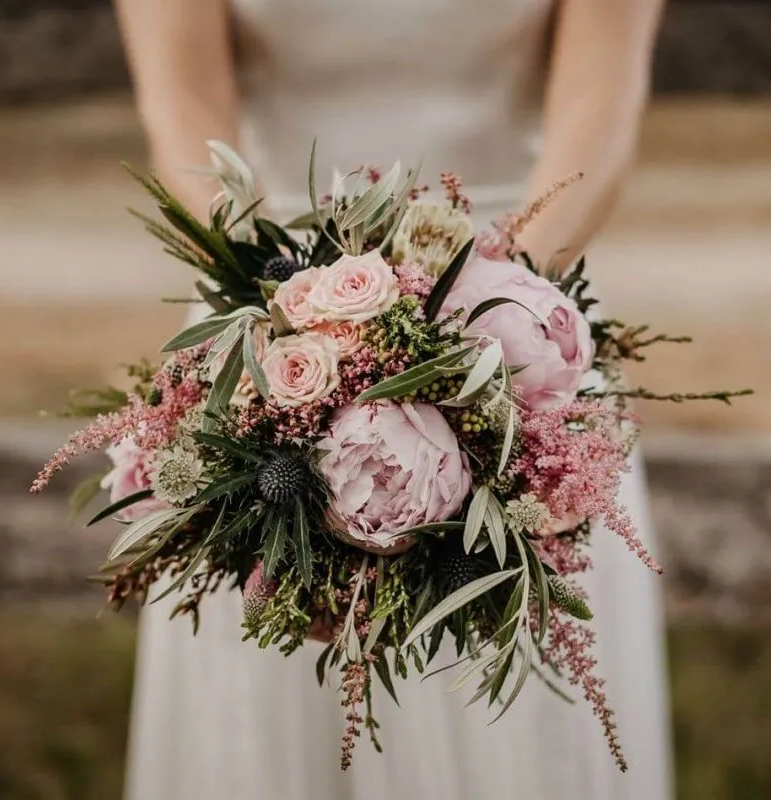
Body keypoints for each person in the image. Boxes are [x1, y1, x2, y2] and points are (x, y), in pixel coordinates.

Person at [115, 1, 672, 798]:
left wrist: (469, 326)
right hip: (267, 303)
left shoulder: (510, 318)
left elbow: (597, 125)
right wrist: (295, 323)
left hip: (523, 320)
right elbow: (187, 125)